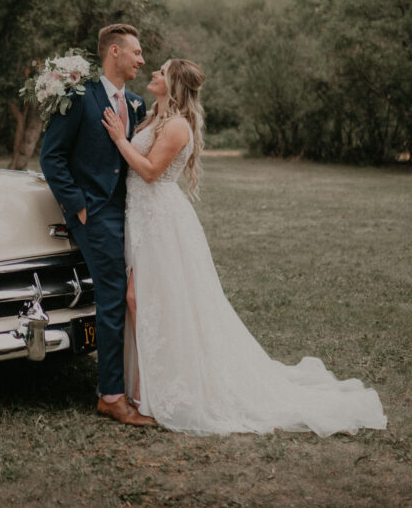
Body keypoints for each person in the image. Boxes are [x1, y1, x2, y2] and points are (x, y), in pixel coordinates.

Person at [100, 59, 387, 436]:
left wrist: (120, 140)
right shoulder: (153, 115)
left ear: (174, 83)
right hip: (140, 217)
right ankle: (141, 388)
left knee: (146, 299)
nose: (153, 73)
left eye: (161, 71)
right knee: (143, 300)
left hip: (160, 221)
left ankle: (148, 391)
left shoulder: (177, 125)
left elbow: (151, 172)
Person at [40, 23, 154, 427]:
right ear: (114, 52)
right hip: (96, 215)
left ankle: (137, 385)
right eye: (136, 52)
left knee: (135, 295)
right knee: (112, 297)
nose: (142, 60)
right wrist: (79, 207)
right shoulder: (78, 97)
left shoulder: (137, 104)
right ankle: (111, 396)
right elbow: (51, 156)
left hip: (133, 215)